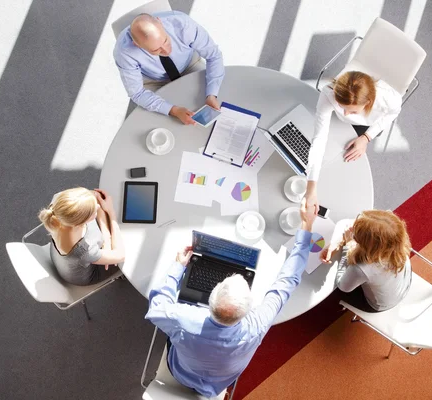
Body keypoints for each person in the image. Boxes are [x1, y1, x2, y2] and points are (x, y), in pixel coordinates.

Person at [145, 199, 317, 398]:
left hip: (179, 372)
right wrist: (307, 226)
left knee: (177, 313)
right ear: (249, 309)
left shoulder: (183, 318)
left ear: (210, 299)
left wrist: (178, 266)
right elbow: (287, 282)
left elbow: (156, 308)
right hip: (219, 385)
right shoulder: (257, 325)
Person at [304, 71, 402, 211]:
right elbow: (319, 138)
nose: (345, 114)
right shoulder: (329, 93)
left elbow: (394, 113)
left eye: (352, 111)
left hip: (366, 126)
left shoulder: (388, 99)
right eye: (342, 107)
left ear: (368, 102)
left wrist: (366, 137)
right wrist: (311, 188)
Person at [113, 11, 224, 125]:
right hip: (155, 80)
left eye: (165, 41)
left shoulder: (183, 25)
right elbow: (137, 93)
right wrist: (174, 111)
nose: (166, 51)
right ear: (137, 45)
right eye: (156, 50)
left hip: (190, 64)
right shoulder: (124, 53)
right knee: (165, 124)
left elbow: (214, 56)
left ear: (160, 22)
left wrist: (212, 95)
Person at [320, 210, 412, 312]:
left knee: (332, 289)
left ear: (368, 247)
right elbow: (348, 223)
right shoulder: (395, 243)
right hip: (404, 284)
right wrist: (339, 242)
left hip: (380, 304)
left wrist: (347, 246)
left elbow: (343, 286)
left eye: (356, 234)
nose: (351, 228)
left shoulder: (361, 268)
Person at [38, 187, 125, 286]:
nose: (98, 206)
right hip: (89, 274)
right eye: (93, 211)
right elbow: (121, 255)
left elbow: (95, 194)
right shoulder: (83, 251)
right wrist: (110, 212)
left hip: (68, 263)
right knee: (130, 244)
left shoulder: (59, 201)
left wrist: (107, 238)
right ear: (81, 223)